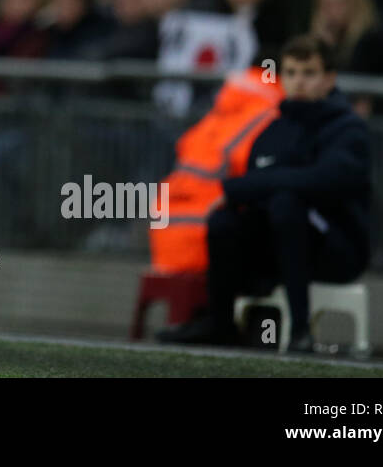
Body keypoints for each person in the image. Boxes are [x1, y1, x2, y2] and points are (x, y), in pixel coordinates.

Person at [157, 34, 369, 352]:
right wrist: (244, 193)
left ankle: (301, 329)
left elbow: (323, 180)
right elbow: (263, 184)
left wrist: (241, 188)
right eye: (292, 73)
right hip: (279, 244)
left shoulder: (347, 129)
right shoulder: (272, 130)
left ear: (329, 79)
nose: (299, 82)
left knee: (286, 203)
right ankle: (220, 322)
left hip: (335, 248)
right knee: (224, 219)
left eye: (309, 73)